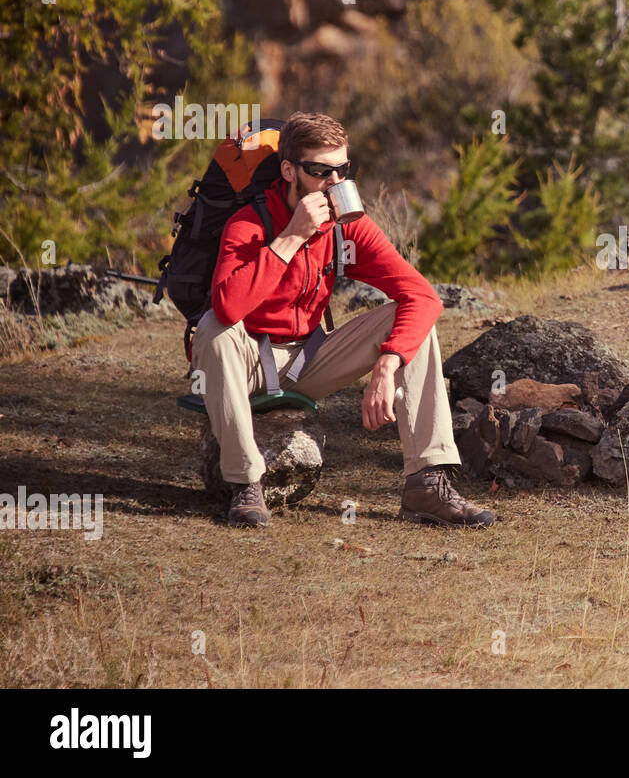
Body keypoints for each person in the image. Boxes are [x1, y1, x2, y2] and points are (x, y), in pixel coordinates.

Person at [189, 111, 494, 529]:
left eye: (342, 171)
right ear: (290, 171)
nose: (335, 184)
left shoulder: (347, 227)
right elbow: (228, 308)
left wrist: (388, 364)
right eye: (320, 172)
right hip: (243, 360)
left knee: (411, 324)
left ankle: (426, 483)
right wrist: (292, 236)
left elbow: (422, 295)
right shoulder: (249, 223)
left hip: (308, 359)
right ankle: (246, 485)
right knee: (213, 329)